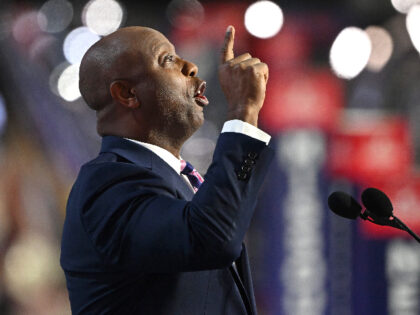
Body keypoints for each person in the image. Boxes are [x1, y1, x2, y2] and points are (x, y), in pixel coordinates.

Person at [60, 25, 273, 315]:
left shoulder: (173, 178)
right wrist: (243, 113)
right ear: (127, 93)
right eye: (168, 60)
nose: (191, 66)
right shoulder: (106, 184)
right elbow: (211, 238)